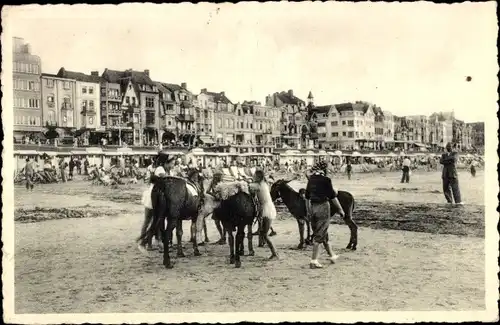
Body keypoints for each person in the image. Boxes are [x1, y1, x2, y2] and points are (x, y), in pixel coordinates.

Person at [305, 161, 344, 269]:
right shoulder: (326, 180)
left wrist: (308, 211)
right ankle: (314, 261)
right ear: (325, 169)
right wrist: (340, 209)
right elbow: (332, 197)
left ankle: (332, 255)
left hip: (312, 207)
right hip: (323, 207)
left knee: (321, 233)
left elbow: (307, 197)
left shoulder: (311, 179)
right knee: (319, 235)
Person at [139, 151, 176, 252]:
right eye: (171, 164)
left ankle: (155, 242)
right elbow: (166, 179)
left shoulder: (170, 171)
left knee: (157, 220)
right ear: (166, 163)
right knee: (148, 220)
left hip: (162, 196)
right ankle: (145, 241)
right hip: (153, 196)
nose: (173, 166)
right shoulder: (160, 169)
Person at [249, 169, 279, 260]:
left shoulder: (258, 185)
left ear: (258, 177)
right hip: (268, 208)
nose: (253, 177)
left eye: (254, 176)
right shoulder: (264, 184)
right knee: (263, 233)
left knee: (264, 234)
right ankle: (274, 252)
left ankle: (275, 253)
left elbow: (249, 186)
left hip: (266, 209)